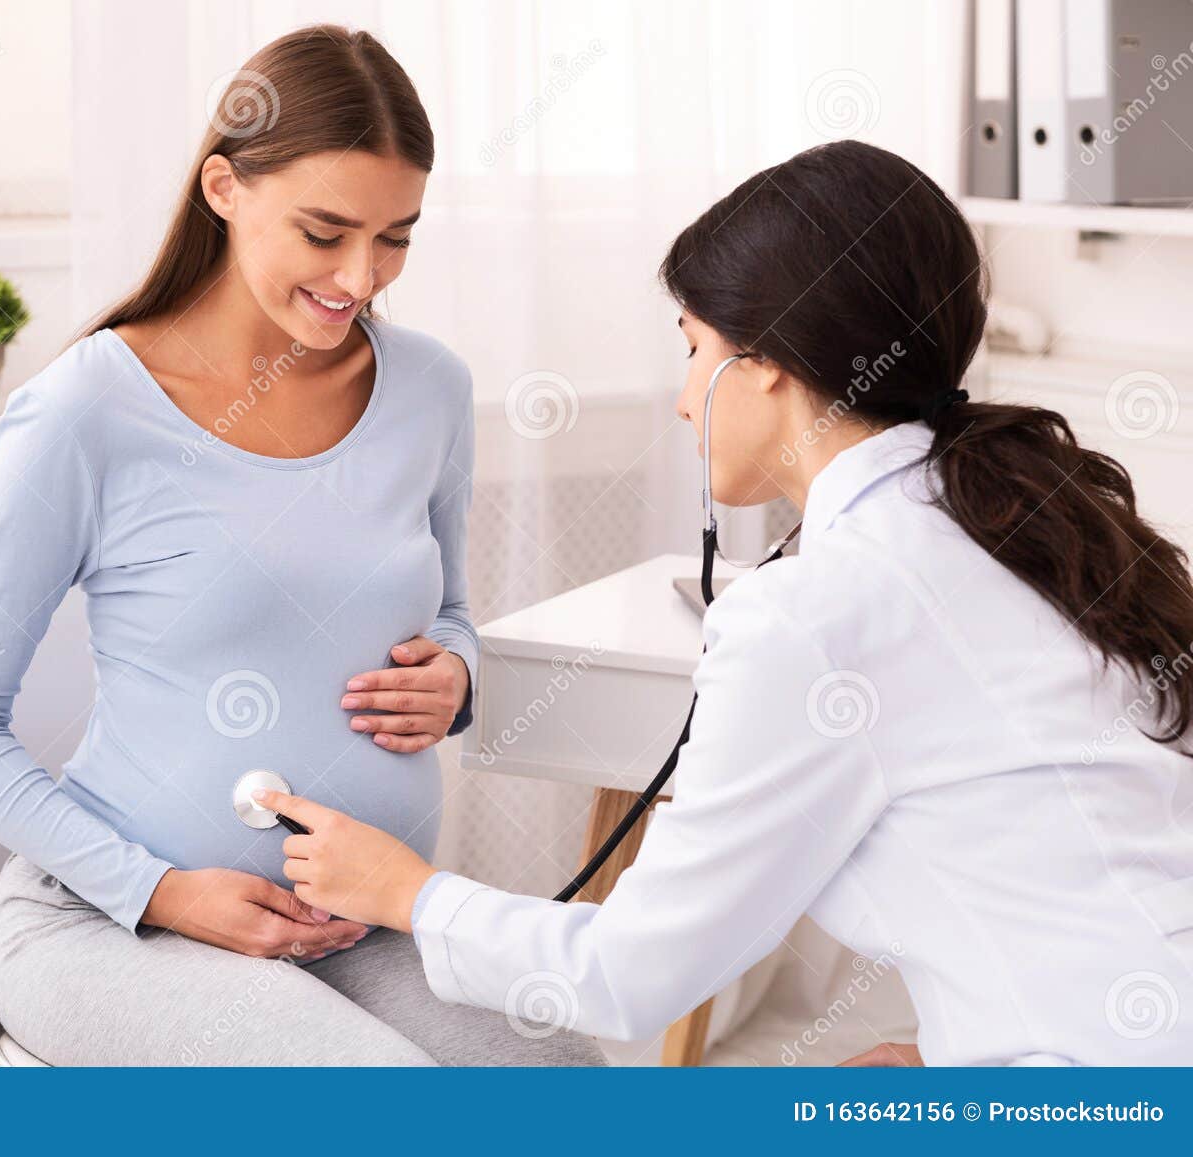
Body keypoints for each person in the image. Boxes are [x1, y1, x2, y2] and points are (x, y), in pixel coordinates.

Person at [254, 139, 1193, 1067]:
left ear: (768, 361)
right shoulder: (1027, 525)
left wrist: (408, 892)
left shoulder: (816, 611)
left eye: (694, 348)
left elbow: (630, 971)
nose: (683, 400)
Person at [0, 23, 606, 1067]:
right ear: (224, 188)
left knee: (565, 1077)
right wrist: (163, 891)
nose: (362, 276)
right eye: (324, 232)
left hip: (355, 925)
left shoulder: (430, 391)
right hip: (111, 923)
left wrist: (457, 674)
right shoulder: (85, 410)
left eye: (396, 235)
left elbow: (448, 611)